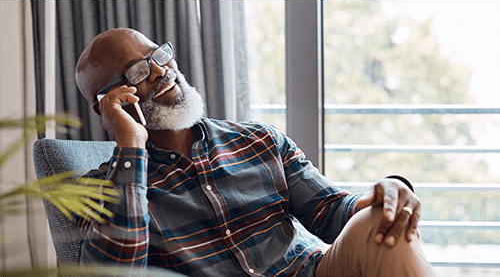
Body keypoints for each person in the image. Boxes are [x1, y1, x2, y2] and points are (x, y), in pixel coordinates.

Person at [74, 28, 435, 277]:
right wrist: (131, 147)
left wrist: (385, 192)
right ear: (108, 104)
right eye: (138, 71)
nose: (160, 71)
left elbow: (331, 212)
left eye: (158, 55)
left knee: (384, 222)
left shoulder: (259, 140)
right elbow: (115, 269)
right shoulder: (102, 188)